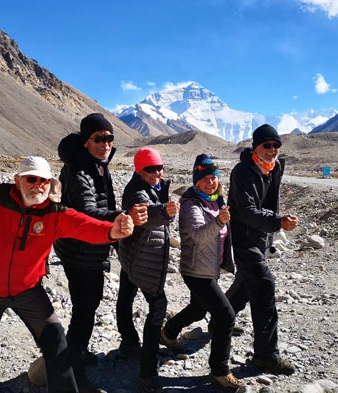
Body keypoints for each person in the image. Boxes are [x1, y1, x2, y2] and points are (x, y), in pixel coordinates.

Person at [0, 156, 134, 393]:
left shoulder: (54, 213)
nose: (38, 186)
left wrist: (112, 231)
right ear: (17, 180)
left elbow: (84, 226)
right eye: (32, 179)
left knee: (56, 342)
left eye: (44, 181)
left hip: (27, 290)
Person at [54, 113, 148, 392]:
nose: (105, 143)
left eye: (109, 138)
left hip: (87, 247)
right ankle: (74, 376)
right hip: (79, 250)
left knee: (88, 304)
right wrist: (122, 215)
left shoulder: (95, 163)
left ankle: (76, 356)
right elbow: (85, 211)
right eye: (99, 139)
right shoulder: (79, 168)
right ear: (86, 142)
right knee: (84, 309)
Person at [161, 154, 245, 391]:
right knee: (226, 315)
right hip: (196, 270)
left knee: (200, 308)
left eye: (214, 177)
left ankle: (168, 332)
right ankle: (220, 371)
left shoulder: (216, 199)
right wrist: (219, 221)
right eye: (205, 178)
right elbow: (198, 236)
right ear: (196, 180)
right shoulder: (190, 204)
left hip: (208, 268)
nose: (210, 182)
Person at [223, 124, 299, 375]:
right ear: (255, 147)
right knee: (264, 285)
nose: (272, 150)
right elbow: (246, 211)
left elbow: (269, 202)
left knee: (246, 284)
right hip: (243, 237)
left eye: (276, 145)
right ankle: (266, 355)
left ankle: (220, 321)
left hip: (260, 236)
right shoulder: (242, 171)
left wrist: (273, 227)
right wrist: (277, 221)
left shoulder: (274, 168)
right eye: (267, 145)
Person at [116, 147, 179, 393]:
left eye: (159, 167)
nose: (157, 172)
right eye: (150, 169)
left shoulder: (153, 186)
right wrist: (163, 210)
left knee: (125, 296)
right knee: (157, 308)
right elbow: (145, 213)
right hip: (143, 260)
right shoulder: (136, 191)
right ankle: (147, 372)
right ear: (139, 170)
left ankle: (129, 343)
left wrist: (162, 198)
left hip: (132, 254)